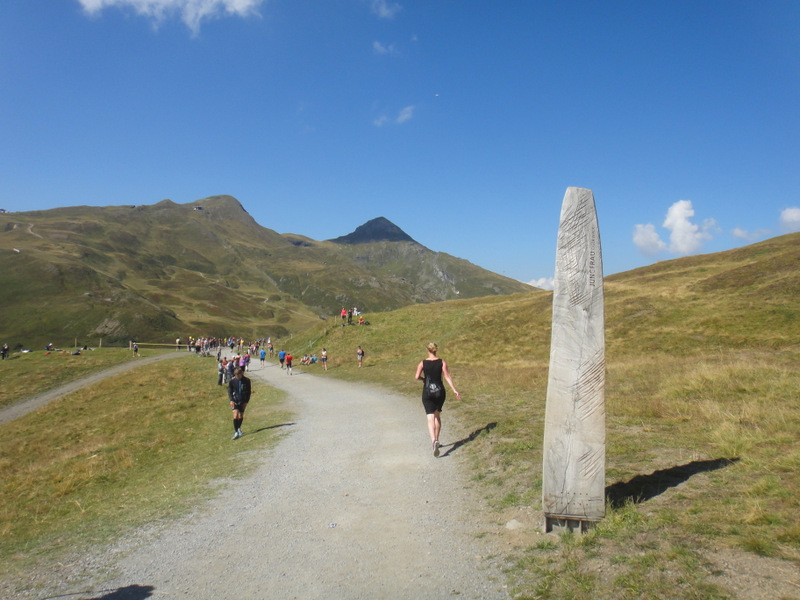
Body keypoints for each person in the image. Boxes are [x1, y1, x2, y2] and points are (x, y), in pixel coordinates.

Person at [414, 342, 461, 457]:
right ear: (436, 350)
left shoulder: (423, 363)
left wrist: (423, 379)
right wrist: (454, 390)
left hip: (427, 392)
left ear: (428, 350)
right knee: (437, 416)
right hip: (440, 392)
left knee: (430, 418)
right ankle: (437, 439)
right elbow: (447, 376)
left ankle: (434, 441)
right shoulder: (442, 362)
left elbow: (416, 377)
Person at [228, 367, 252, 439]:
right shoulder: (232, 381)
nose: (237, 376)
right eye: (235, 375)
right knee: (235, 415)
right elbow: (229, 391)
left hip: (243, 400)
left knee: (240, 415)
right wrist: (231, 400)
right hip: (235, 400)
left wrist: (246, 402)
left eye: (238, 375)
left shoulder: (247, 381)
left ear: (241, 374)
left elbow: (249, 392)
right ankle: (236, 432)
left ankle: (238, 428)